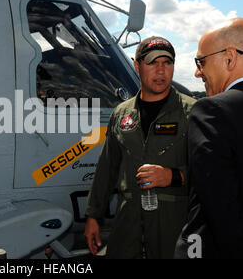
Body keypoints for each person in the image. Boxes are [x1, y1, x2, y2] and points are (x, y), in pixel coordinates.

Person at [84, 36, 196, 259]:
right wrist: (93, 216)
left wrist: (172, 176)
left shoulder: (193, 112)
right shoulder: (122, 113)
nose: (161, 70)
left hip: (175, 228)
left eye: (167, 63)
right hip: (128, 226)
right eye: (153, 62)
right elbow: (107, 169)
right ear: (137, 66)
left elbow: (213, 174)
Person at [174, 18, 243, 259]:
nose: (197, 72)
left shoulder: (210, 111)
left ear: (229, 58)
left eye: (201, 61)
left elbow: (220, 208)